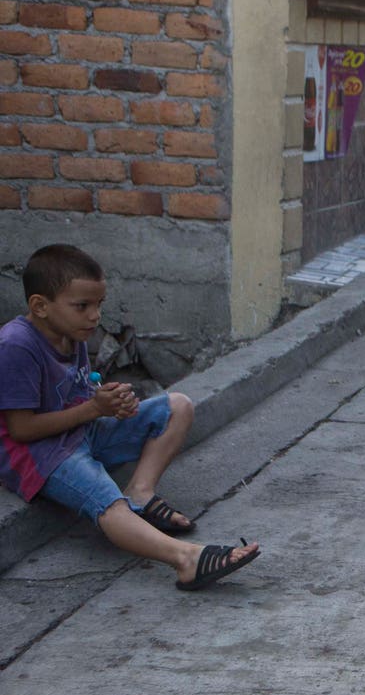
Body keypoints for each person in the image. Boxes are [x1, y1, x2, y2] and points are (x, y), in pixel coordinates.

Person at [0, 245, 260, 591]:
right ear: (40, 306)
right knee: (106, 501)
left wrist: (109, 401)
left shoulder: (70, 331)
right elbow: (21, 429)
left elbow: (75, 394)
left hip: (81, 430)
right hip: (41, 455)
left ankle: (141, 492)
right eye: (83, 306)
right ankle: (186, 560)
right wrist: (94, 409)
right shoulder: (16, 346)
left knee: (177, 406)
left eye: (98, 305)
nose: (94, 316)